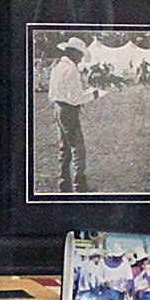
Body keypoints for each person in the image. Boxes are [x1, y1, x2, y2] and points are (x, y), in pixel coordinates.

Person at [48, 36, 96, 192]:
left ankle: (64, 182)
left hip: (58, 109)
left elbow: (55, 93)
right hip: (69, 111)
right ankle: (79, 184)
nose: (81, 59)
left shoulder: (57, 67)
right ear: (73, 53)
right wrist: (94, 94)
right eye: (80, 55)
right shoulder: (72, 70)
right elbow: (75, 99)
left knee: (64, 148)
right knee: (78, 149)